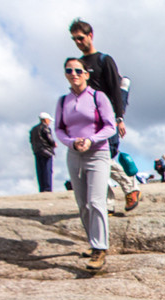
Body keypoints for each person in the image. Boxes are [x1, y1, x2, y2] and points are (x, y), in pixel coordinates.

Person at [70, 18, 140, 212]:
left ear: (90, 35)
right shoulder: (78, 65)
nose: (78, 42)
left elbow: (115, 91)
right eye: (74, 39)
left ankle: (130, 186)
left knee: (102, 158)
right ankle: (107, 203)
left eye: (80, 38)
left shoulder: (104, 60)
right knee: (90, 161)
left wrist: (119, 118)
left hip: (106, 118)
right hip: (87, 121)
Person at [55, 57, 116, 271]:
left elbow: (111, 126)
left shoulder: (98, 97)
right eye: (69, 70)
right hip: (74, 155)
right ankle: (93, 242)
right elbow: (59, 129)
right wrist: (72, 143)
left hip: (98, 153)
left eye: (78, 71)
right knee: (82, 203)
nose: (74, 74)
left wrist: (91, 139)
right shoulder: (63, 101)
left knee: (96, 200)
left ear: (86, 74)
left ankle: (100, 249)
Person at [29, 112, 57, 192]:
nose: (49, 122)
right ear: (45, 120)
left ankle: (42, 188)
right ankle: (48, 188)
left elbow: (31, 140)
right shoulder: (46, 128)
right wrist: (53, 144)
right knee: (47, 170)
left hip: (37, 151)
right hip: (46, 151)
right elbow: (49, 139)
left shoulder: (33, 129)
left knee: (40, 170)